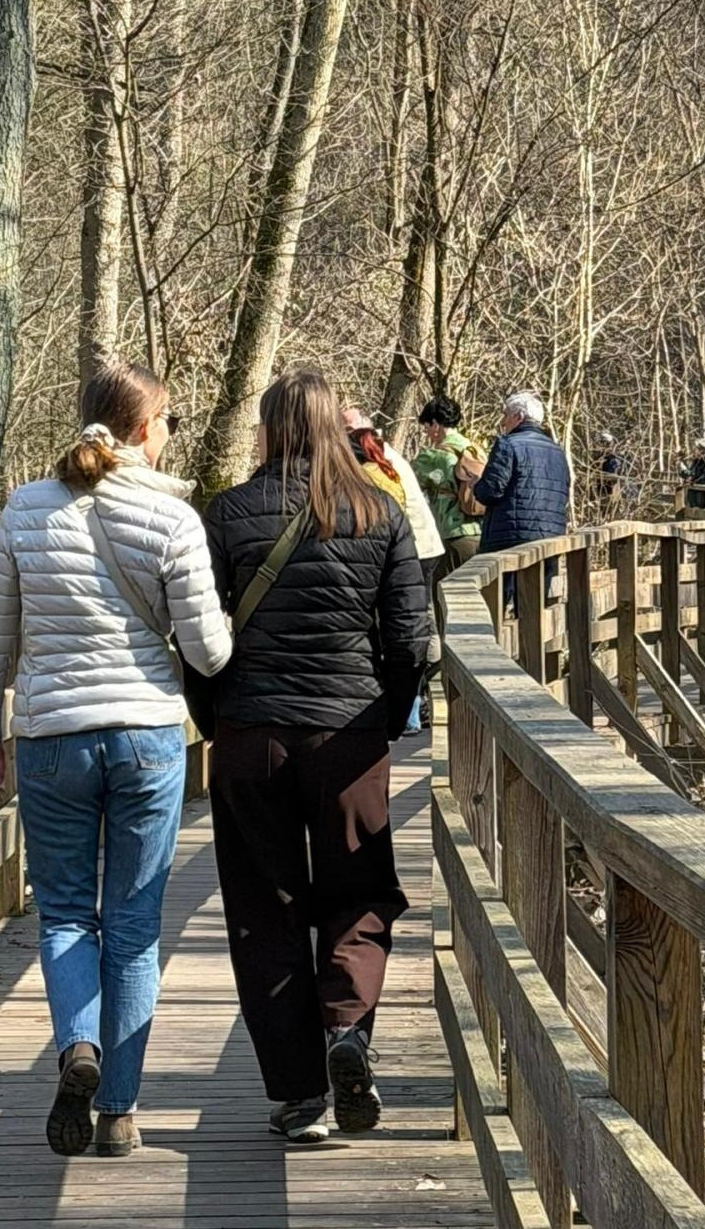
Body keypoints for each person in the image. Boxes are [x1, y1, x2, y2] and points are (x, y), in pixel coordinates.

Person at [0, 358, 232, 1158]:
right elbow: (211, 654)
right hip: (148, 736)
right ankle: (118, 1110)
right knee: (134, 925)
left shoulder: (25, 508)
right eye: (170, 421)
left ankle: (75, 1043)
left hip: (51, 737)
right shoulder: (173, 518)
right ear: (147, 427)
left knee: (67, 914)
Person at [203, 366, 429, 1143]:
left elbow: (199, 640)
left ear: (267, 428)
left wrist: (217, 720)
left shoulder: (227, 514)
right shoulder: (378, 512)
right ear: (336, 426)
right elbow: (409, 640)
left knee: (264, 909)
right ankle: (346, 1034)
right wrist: (388, 721)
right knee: (359, 893)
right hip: (349, 736)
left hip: (250, 735)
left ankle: (298, 1095)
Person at [344, 406, 442, 735]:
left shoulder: (369, 470)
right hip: (419, 547)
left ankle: (417, 708)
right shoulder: (386, 459)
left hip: (413, 550)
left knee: (408, 625)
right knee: (415, 623)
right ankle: (421, 704)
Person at [475, 390, 571, 553]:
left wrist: (476, 485)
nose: (503, 422)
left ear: (519, 417)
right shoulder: (558, 451)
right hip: (551, 539)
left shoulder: (507, 444)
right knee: (543, 579)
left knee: (508, 580)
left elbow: (490, 492)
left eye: (506, 415)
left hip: (511, 539)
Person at [412, 394, 487, 581]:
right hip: (481, 533)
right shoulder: (475, 450)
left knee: (443, 595)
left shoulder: (433, 457)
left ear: (436, 425)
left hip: (453, 535)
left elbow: (405, 484)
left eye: (427, 427)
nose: (426, 433)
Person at [591, 430, 623, 499]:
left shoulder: (614, 460)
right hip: (599, 495)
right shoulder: (598, 460)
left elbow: (614, 477)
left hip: (610, 495)